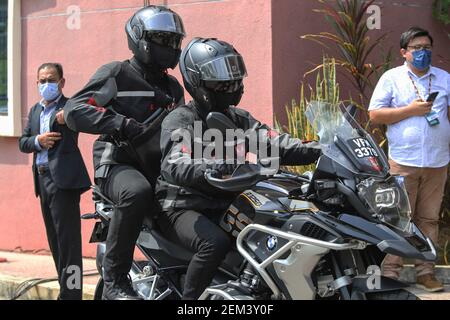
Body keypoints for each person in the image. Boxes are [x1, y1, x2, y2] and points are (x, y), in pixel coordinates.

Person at [155, 37, 322, 299]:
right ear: (197, 82)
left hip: (227, 201)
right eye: (222, 81)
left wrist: (321, 148)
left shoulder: (239, 118)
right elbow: (175, 161)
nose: (231, 86)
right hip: (183, 205)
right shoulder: (181, 119)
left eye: (233, 79)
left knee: (280, 229)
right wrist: (211, 168)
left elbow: (275, 143)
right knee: (214, 243)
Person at [63, 6, 185, 300]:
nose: (169, 48)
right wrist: (119, 123)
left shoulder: (172, 87)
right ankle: (116, 279)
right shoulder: (118, 74)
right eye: (162, 40)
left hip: (156, 165)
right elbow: (75, 109)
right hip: (117, 163)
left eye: (173, 41)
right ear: (140, 39)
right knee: (137, 192)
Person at [369, 27, 450, 292]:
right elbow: (375, 115)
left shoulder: (443, 78)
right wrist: (410, 111)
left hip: (437, 162)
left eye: (427, 47)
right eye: (416, 48)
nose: (422, 52)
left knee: (428, 219)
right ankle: (390, 273)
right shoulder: (391, 78)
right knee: (398, 218)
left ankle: (426, 272)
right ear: (404, 52)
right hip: (404, 161)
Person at [19, 63, 91, 300]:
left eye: (51, 80)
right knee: (56, 243)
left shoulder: (70, 106)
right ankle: (65, 290)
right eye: (42, 80)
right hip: (41, 180)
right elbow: (23, 142)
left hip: (63, 182)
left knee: (69, 243)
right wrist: (38, 141)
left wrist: (68, 115)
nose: (46, 84)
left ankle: (72, 295)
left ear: (61, 82)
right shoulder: (34, 111)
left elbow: (84, 116)